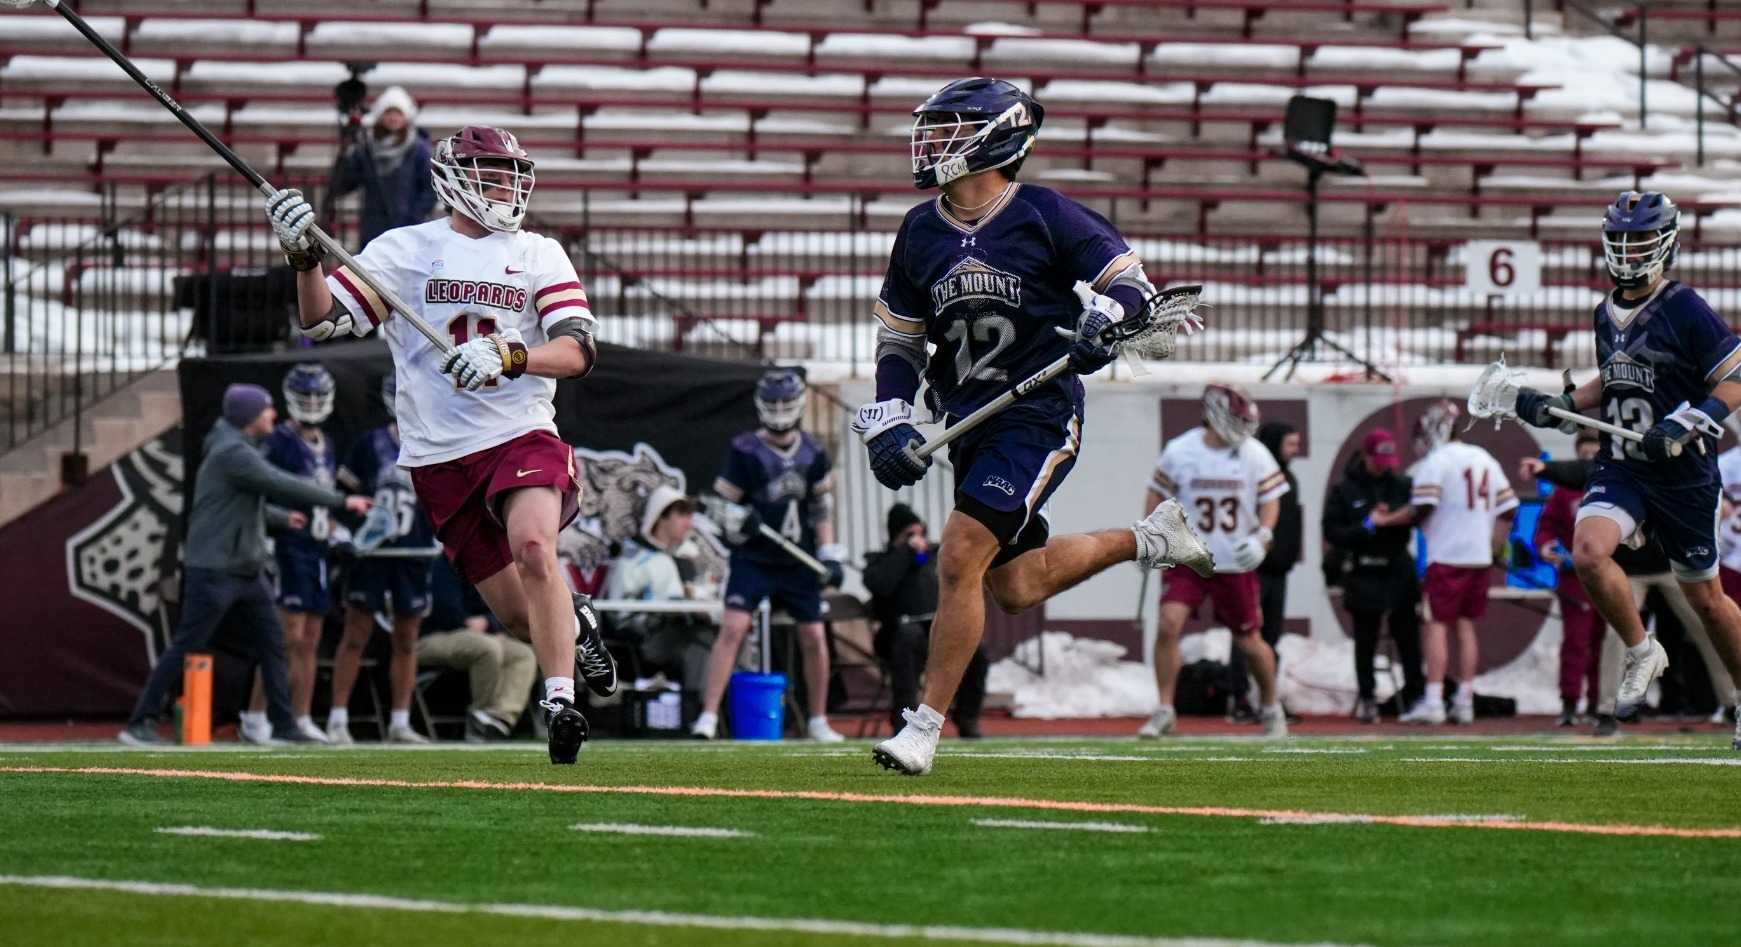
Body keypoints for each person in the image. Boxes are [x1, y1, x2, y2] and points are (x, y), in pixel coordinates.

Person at [853, 76, 1213, 775]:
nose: (933, 143)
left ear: (997, 138)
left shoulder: (1046, 215)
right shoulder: (919, 229)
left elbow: (1129, 286)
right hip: (966, 419)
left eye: (952, 129)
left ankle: (923, 729)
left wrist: (1100, 325)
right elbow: (898, 341)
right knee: (1015, 585)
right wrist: (889, 419)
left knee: (958, 553)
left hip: (1038, 412)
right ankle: (1151, 537)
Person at [264, 123, 620, 765]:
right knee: (519, 618)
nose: (508, 186)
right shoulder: (404, 249)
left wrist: (512, 354)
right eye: (493, 174)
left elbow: (578, 351)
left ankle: (560, 702)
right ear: (455, 180)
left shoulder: (539, 252)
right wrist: (304, 259)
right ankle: (576, 619)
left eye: (513, 174)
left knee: (537, 548)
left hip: (519, 431)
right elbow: (321, 322)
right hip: (440, 455)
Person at [1510, 191, 1741, 749]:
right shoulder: (1604, 311)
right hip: (1624, 466)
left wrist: (1688, 425)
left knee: (1706, 601)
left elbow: (1733, 381)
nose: (1629, 249)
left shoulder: (1684, 307)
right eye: (1621, 239)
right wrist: (1562, 402)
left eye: (1640, 239)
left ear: (1665, 243)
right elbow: (1611, 382)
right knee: (1588, 552)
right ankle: (1642, 651)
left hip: (1683, 474)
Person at [119, 385, 371, 745]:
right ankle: (139, 721)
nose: (274, 415)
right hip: (216, 568)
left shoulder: (236, 450)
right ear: (250, 417)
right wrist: (343, 501)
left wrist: (283, 520)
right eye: (267, 410)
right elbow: (277, 482)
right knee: (188, 643)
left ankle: (283, 724)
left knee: (274, 644)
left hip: (246, 569)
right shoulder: (233, 452)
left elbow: (239, 505)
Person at [690, 369, 847, 744]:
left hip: (798, 560)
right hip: (755, 558)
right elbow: (720, 507)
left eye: (784, 403)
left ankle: (818, 719)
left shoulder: (812, 451)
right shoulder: (745, 449)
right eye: (772, 403)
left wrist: (829, 553)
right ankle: (708, 716)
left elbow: (821, 508)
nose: (778, 411)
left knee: (813, 635)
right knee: (732, 629)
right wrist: (741, 521)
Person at [1139, 383, 1290, 740]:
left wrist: (1263, 536)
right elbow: (1156, 495)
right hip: (1189, 556)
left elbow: (1271, 500)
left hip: (1234, 561)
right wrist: (1151, 537)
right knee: (1167, 623)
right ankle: (1164, 708)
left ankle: (1271, 707)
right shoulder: (1181, 450)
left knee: (1250, 641)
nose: (1243, 427)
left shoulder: (1255, 454)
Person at [327, 374, 437, 744]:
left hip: (413, 551)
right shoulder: (370, 444)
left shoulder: (434, 441)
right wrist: (346, 529)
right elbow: (343, 495)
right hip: (372, 553)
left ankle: (400, 721)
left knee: (407, 638)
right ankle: (338, 718)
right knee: (356, 633)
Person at [1395, 401, 1517, 725]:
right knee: (1465, 627)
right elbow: (1509, 508)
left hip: (1446, 556)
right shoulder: (1483, 458)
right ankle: (1464, 700)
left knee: (1434, 625)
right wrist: (1495, 546)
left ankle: (1434, 700)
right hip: (1477, 556)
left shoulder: (1437, 462)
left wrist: (1385, 519)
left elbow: (1421, 508)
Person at [239, 363, 342, 745]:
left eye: (318, 396)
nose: (312, 404)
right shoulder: (279, 441)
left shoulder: (327, 445)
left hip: (315, 549)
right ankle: (256, 715)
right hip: (287, 545)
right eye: (306, 396)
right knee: (286, 636)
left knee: (312, 637)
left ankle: (300, 716)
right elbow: (262, 489)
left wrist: (333, 526)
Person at [1322, 428, 1424, 723]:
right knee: (1365, 639)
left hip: (1397, 567)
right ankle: (1367, 695)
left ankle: (1415, 693)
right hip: (1363, 569)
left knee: (1408, 637)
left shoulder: (1403, 484)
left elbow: (1417, 515)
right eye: (1378, 459)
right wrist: (1367, 525)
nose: (1383, 465)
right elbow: (1332, 531)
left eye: (1388, 459)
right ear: (1366, 455)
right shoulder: (1345, 490)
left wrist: (1392, 518)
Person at [862, 504, 988, 738]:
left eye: (920, 533)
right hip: (898, 635)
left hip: (937, 631)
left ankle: (967, 717)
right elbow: (880, 584)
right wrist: (904, 553)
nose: (917, 540)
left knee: (977, 649)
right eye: (909, 535)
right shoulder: (882, 562)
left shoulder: (935, 557)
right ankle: (905, 718)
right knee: (909, 638)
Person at [1522, 431, 1607, 726]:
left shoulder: (1616, 487)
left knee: (1606, 642)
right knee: (1575, 641)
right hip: (1575, 576)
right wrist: (1546, 545)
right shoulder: (1565, 492)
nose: (1588, 463)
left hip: (1610, 576)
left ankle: (1601, 703)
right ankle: (1570, 702)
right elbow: (1546, 525)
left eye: (1594, 456)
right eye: (1583, 457)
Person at [417, 554, 539, 742]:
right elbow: (445, 611)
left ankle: (497, 718)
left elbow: (503, 610)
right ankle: (479, 717)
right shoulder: (442, 565)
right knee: (487, 647)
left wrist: (489, 624)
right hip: (434, 635)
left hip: (478, 635)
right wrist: (483, 627)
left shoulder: (487, 566)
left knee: (522, 654)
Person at [1227, 420, 1302, 722]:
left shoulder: (1289, 479)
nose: (1295, 450)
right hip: (1253, 568)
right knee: (1245, 634)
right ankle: (1239, 697)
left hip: (1279, 569)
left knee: (1271, 638)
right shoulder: (1254, 474)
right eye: (1290, 443)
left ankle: (1268, 698)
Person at [609, 484, 712, 688]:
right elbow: (619, 615)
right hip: (645, 644)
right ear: (660, 516)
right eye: (681, 514)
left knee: (726, 633)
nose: (688, 522)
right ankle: (698, 709)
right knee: (705, 636)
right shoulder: (632, 557)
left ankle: (712, 709)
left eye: (690, 516)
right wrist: (662, 615)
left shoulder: (686, 558)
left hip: (680, 631)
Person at [330, 85, 436, 250]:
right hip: (373, 227)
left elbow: (430, 187)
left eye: (398, 112)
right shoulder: (366, 146)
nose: (393, 117)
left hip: (408, 227)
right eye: (388, 112)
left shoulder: (418, 148)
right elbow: (346, 182)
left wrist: (416, 215)